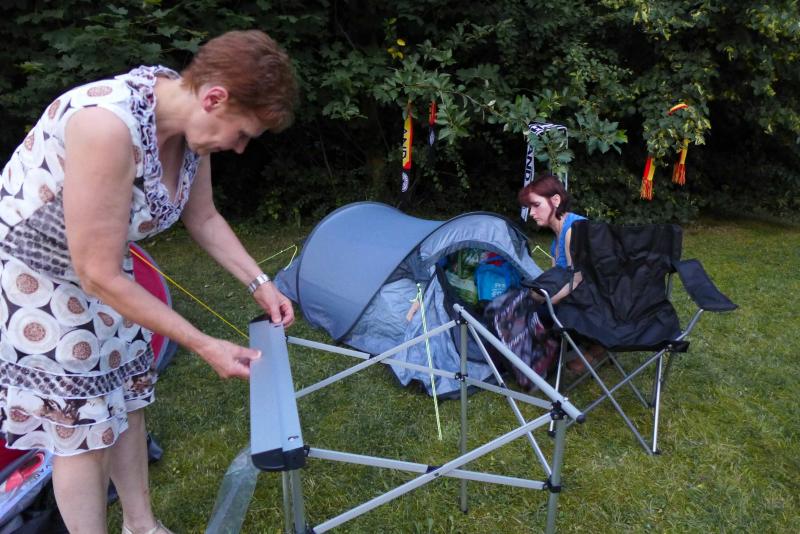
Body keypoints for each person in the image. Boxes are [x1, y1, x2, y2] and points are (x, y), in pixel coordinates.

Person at [0, 30, 297, 533]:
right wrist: (203, 344)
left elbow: (203, 218)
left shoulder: (189, 131)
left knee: (128, 397)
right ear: (214, 98)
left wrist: (260, 282)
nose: (240, 148)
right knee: (83, 430)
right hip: (37, 278)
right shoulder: (105, 126)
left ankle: (142, 526)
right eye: (243, 133)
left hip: (103, 265)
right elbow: (95, 273)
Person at [518, 174, 602, 373]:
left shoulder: (574, 229)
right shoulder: (557, 240)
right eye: (529, 207)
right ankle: (535, 357)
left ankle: (595, 350)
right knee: (524, 303)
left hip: (597, 303)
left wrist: (547, 300)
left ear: (555, 200)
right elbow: (556, 277)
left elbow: (578, 280)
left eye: (536, 205)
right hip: (579, 299)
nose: (531, 213)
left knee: (535, 311)